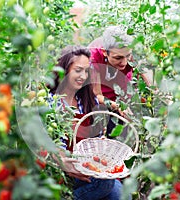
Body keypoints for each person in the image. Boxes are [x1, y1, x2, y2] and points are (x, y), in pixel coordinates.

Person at [48, 45, 123, 200]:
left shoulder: (87, 99)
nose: (83, 76)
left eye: (86, 70)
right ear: (64, 70)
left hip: (88, 165)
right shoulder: (51, 102)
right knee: (107, 185)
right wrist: (64, 163)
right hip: (65, 169)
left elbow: (97, 134)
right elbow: (51, 144)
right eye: (78, 70)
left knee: (120, 193)